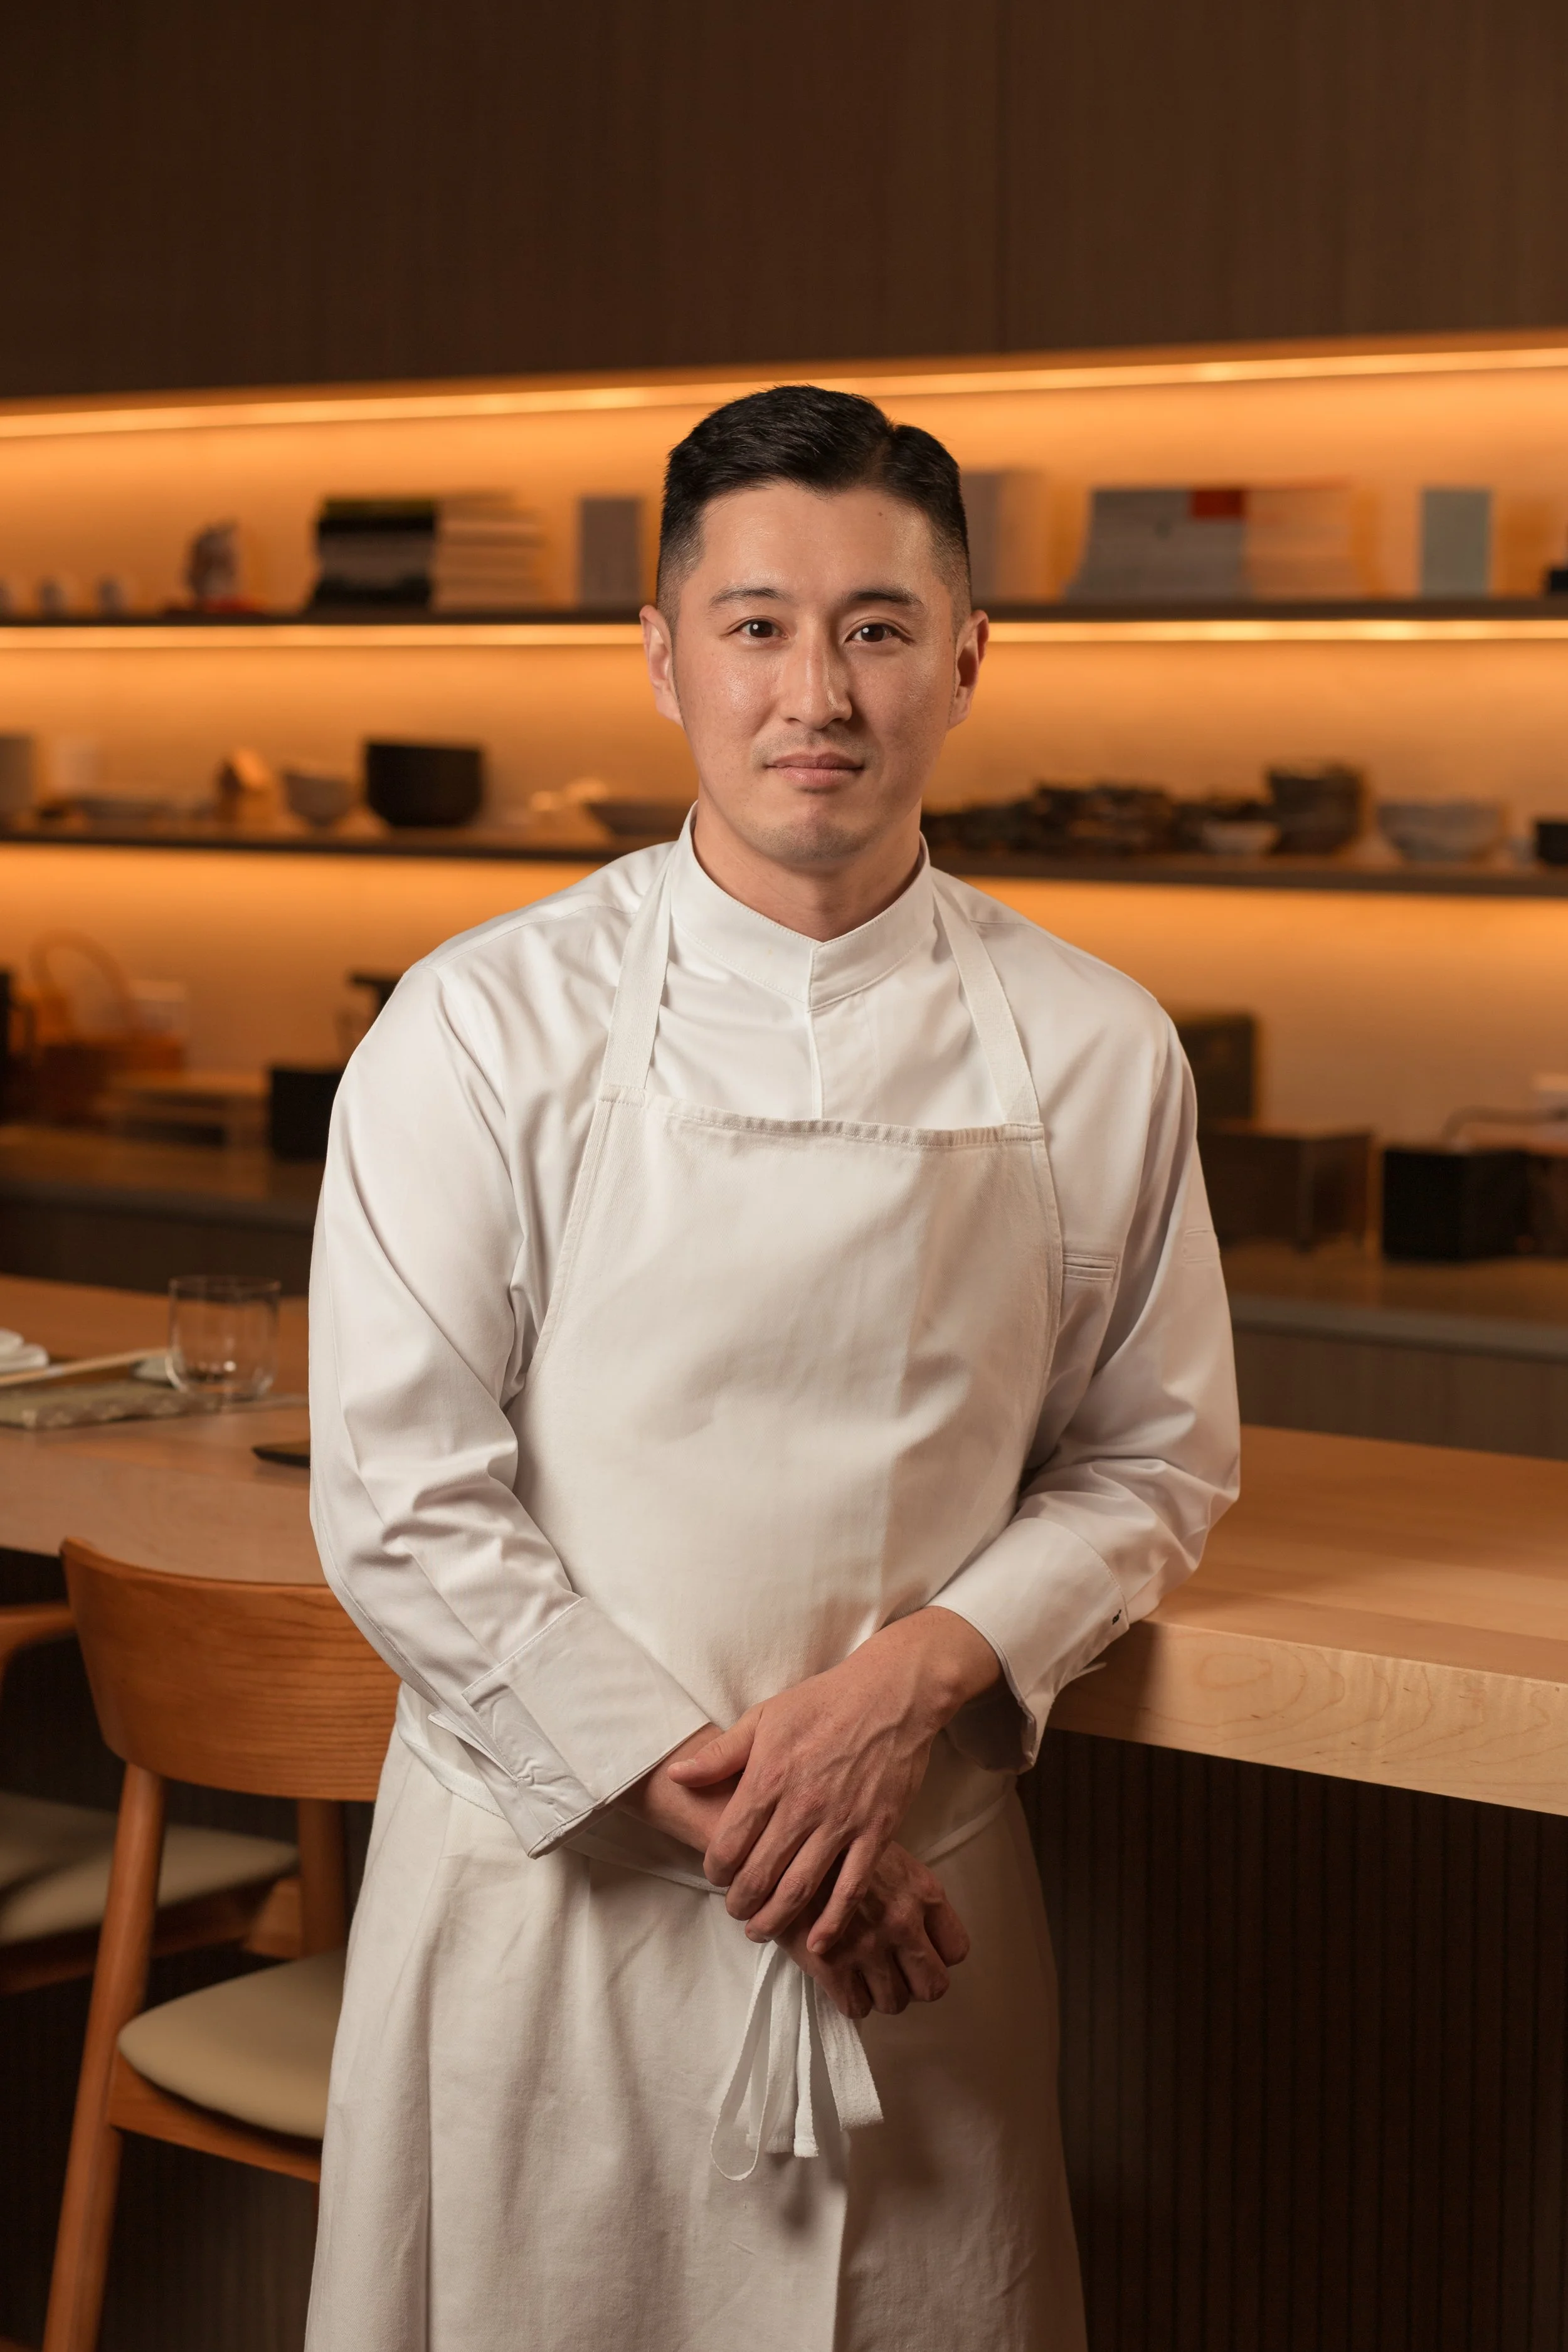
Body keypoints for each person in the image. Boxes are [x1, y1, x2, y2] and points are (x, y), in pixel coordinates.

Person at [305, 384, 1240, 2352]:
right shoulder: (480, 1027)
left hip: (923, 1913)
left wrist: (907, 1692)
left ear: (967, 658)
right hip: (555, 1902)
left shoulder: (1094, 1045)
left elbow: (1148, 1464)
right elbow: (402, 1500)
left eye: (877, 628)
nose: (815, 688)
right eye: (754, 626)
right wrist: (759, 1822)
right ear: (660, 656)